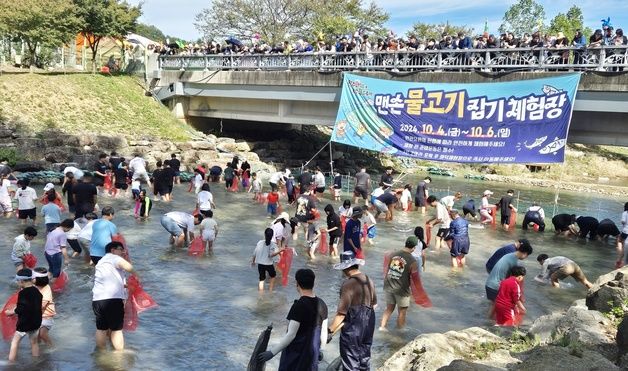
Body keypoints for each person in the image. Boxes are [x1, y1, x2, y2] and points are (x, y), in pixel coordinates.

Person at [257, 269, 328, 369]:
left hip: (295, 355)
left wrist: (272, 352)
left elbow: (291, 335)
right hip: (312, 355)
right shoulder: (322, 304)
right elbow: (324, 331)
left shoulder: (298, 306)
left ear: (297, 284)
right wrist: (321, 350)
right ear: (313, 283)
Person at [329, 252, 377, 370]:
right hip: (369, 324)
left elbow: (341, 314)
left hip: (353, 329)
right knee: (364, 359)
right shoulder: (368, 280)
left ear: (345, 268)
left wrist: (330, 330)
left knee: (350, 362)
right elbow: (374, 305)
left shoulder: (348, 284)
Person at [92, 241, 135, 351]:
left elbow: (110, 280)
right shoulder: (114, 258)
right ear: (113, 250)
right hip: (112, 299)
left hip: (97, 299)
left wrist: (125, 285)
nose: (123, 252)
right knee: (117, 330)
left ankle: (101, 353)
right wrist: (138, 275)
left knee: (101, 328)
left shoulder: (101, 262)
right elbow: (128, 267)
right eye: (121, 249)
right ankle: (118, 356)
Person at [379, 236, 420, 330]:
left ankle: (382, 327)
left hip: (389, 285)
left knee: (389, 308)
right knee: (402, 311)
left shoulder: (393, 254)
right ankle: (400, 332)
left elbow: (388, 268)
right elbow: (414, 278)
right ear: (413, 248)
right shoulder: (412, 260)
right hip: (401, 289)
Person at [485, 243, 533, 318]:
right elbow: (512, 284)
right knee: (500, 308)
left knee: (494, 307)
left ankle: (488, 322)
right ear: (525, 253)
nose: (526, 257)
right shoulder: (513, 262)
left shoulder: (508, 255)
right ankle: (492, 324)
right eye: (527, 255)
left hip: (489, 284)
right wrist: (520, 303)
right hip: (495, 287)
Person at [7, 268, 42, 361]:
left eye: (18, 281)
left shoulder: (23, 293)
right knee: (34, 343)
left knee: (14, 342)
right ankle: (36, 362)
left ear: (22, 281)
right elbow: (33, 306)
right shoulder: (37, 291)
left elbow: (21, 309)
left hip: (25, 324)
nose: (18, 283)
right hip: (36, 322)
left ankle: (11, 364)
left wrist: (10, 312)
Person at [33, 267, 55, 346]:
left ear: (38, 279)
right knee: (36, 336)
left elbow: (42, 305)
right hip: (36, 315)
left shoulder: (46, 289)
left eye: (33, 277)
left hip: (46, 315)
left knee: (42, 334)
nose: (31, 278)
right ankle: (39, 349)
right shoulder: (34, 287)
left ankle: (51, 347)